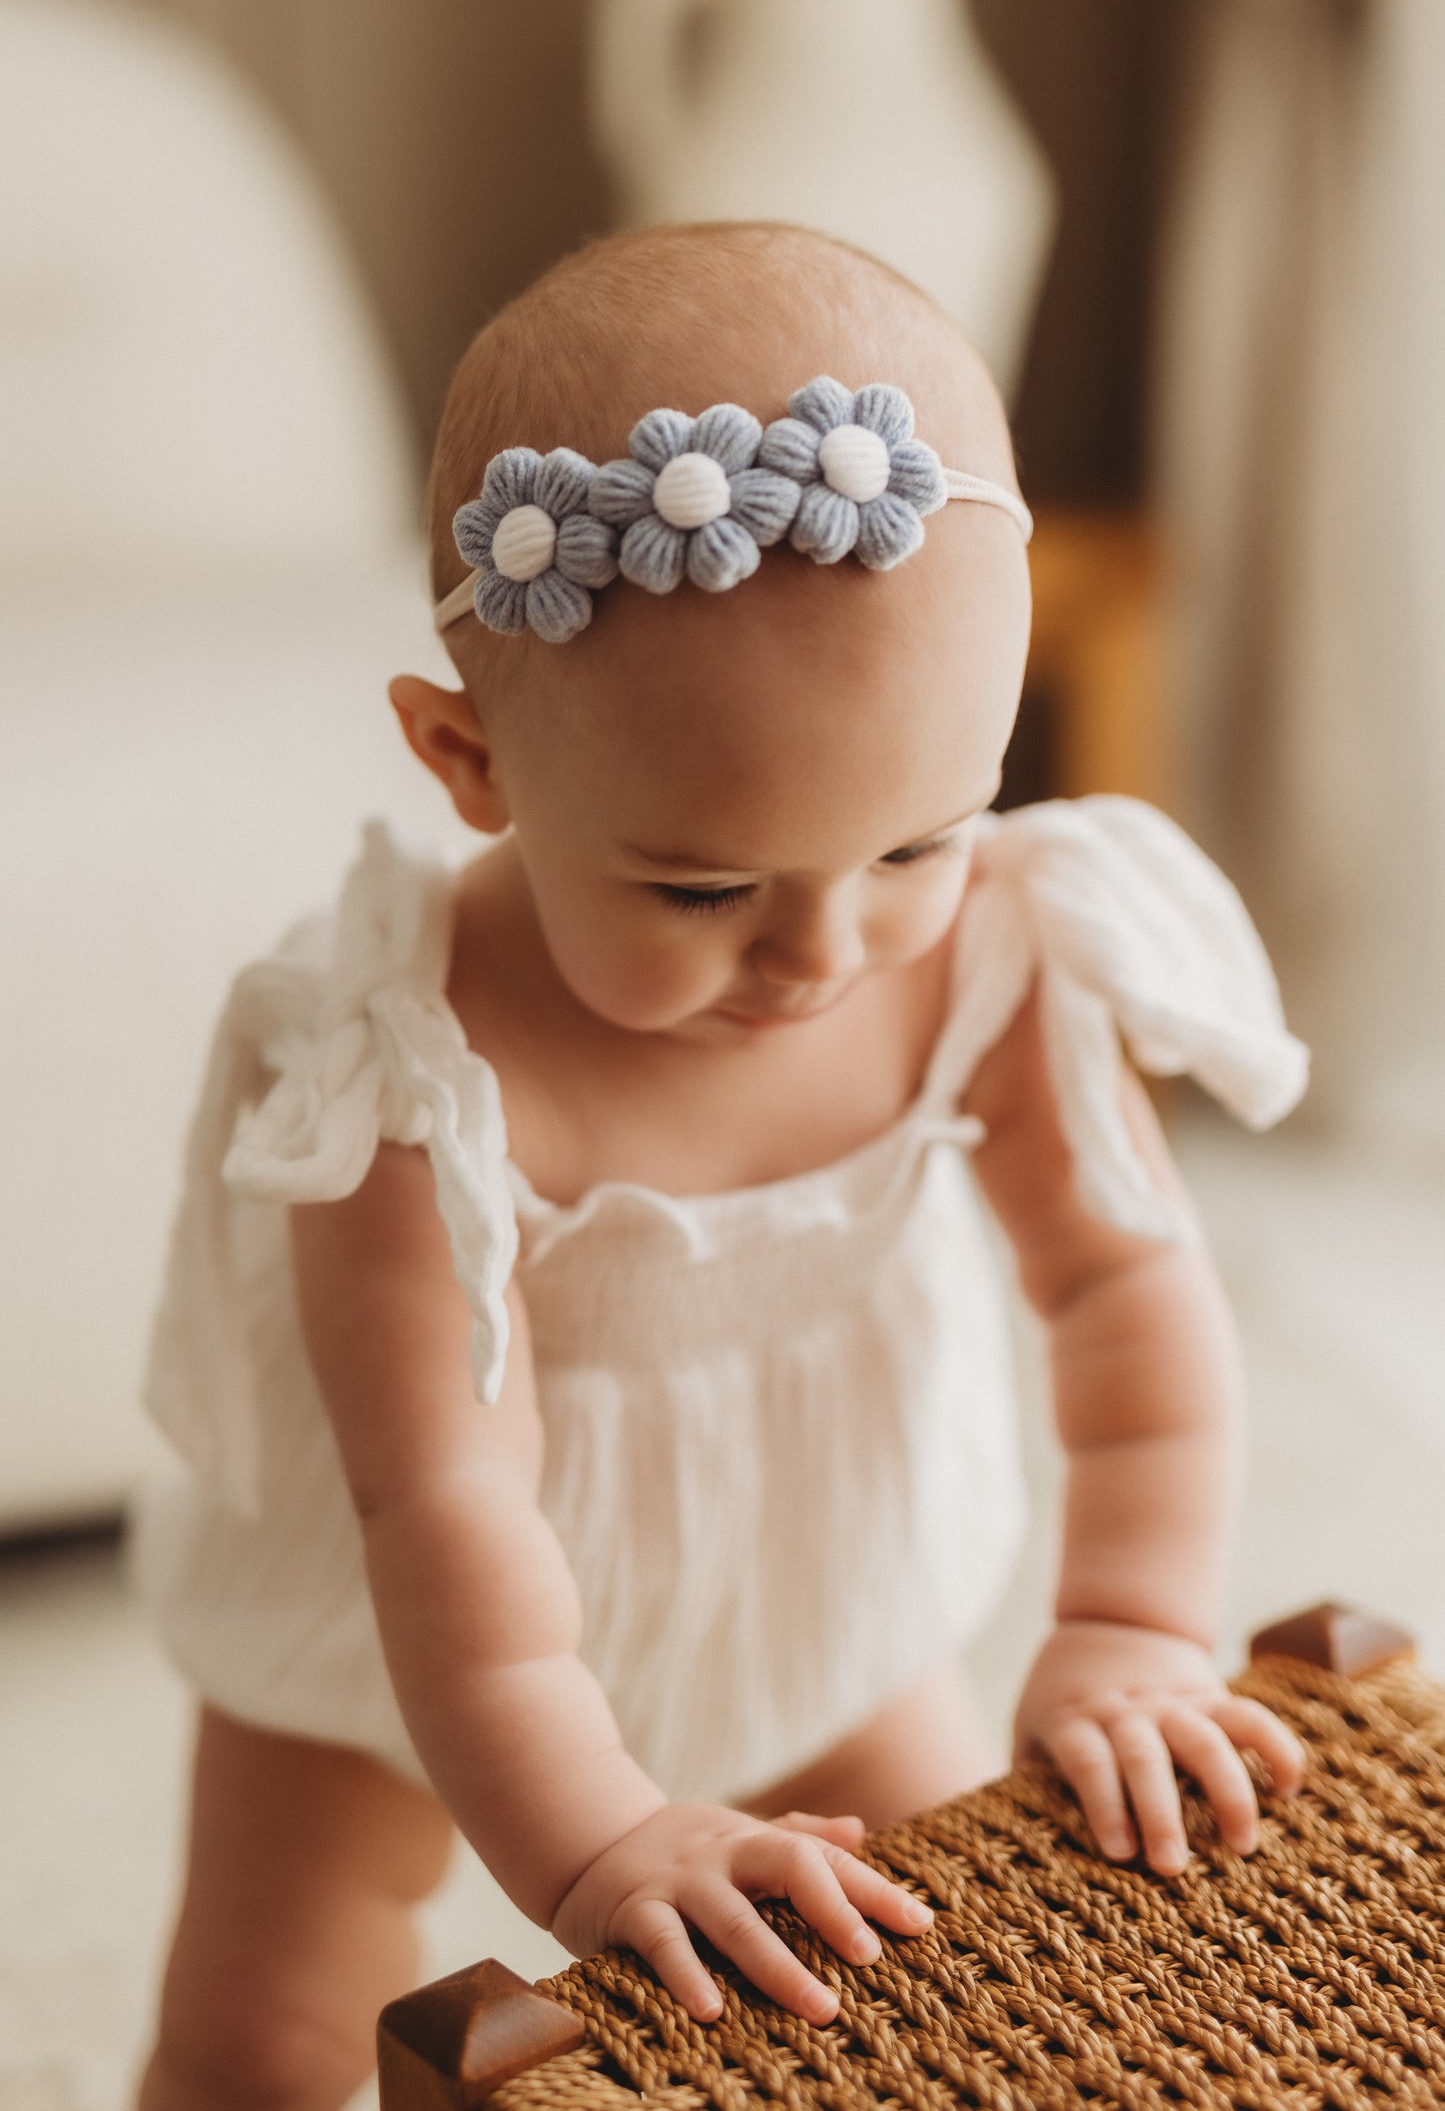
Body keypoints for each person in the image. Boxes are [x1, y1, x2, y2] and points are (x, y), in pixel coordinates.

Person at [134, 222, 1309, 2111]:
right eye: (700, 887)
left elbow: (1123, 1288)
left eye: (919, 843)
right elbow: (440, 1503)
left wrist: (1131, 1631)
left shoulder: (995, 958)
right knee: (265, 2023)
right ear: (467, 757)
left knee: (953, 1985)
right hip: (416, 1637)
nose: (823, 955)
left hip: (810, 1570)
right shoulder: (407, 1075)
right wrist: (602, 1846)